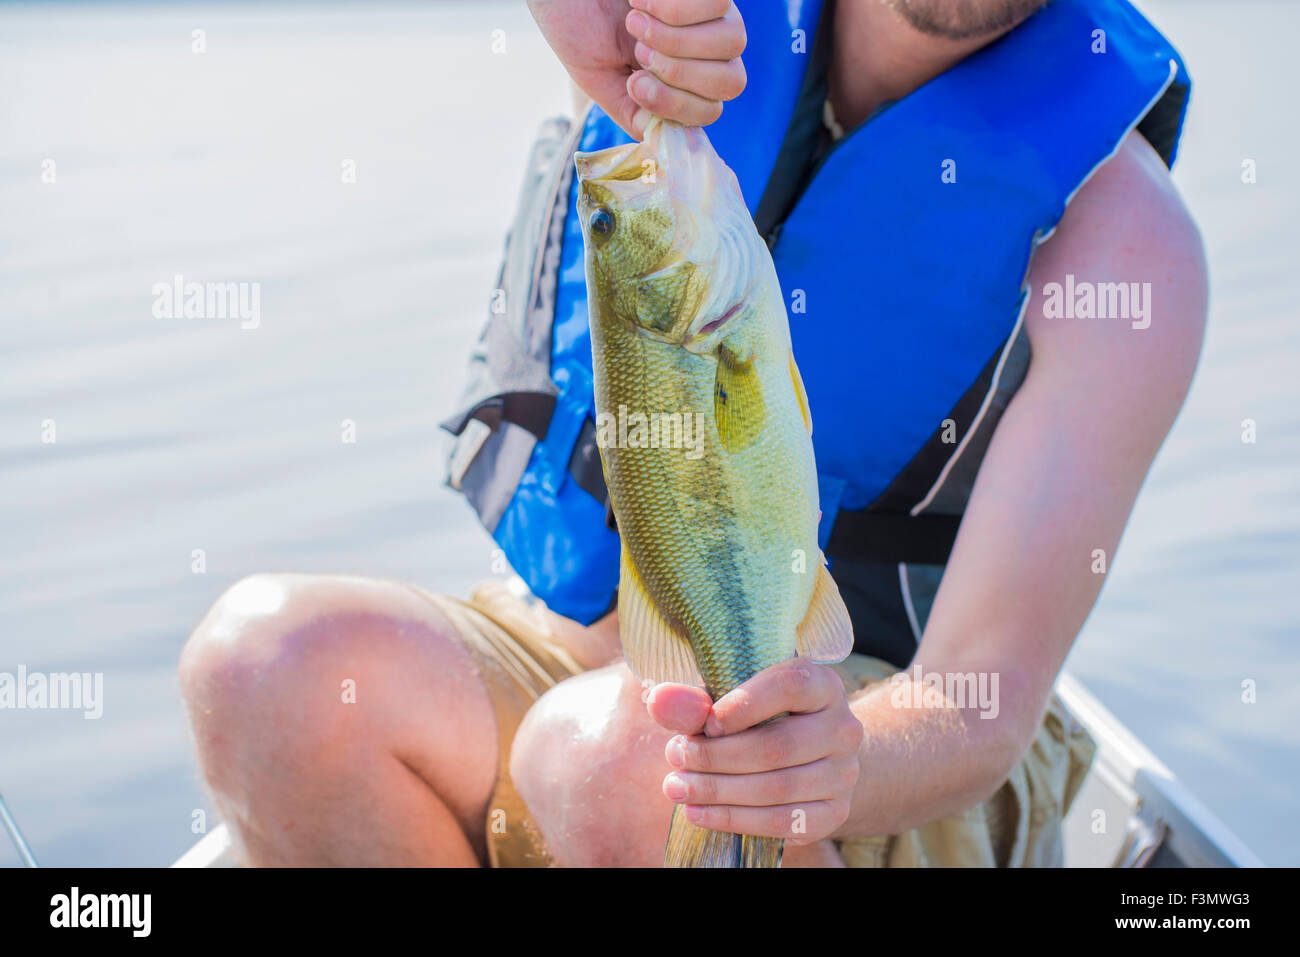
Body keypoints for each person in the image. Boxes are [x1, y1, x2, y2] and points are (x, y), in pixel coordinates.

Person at [179, 0, 1207, 867]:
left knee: (618, 761)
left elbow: (977, 710)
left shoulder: (1126, 244)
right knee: (261, 664)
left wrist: (826, 763)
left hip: (883, 747)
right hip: (585, 647)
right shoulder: (667, 34)